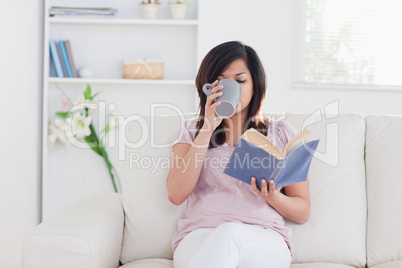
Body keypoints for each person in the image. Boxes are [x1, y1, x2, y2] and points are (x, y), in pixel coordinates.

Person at [166, 41, 310, 268]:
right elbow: (175, 194)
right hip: (199, 236)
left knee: (230, 234)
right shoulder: (191, 131)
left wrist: (273, 197)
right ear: (208, 86)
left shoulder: (281, 133)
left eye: (241, 81)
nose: (232, 88)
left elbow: (302, 211)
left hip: (263, 239)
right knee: (225, 237)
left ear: (255, 85)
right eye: (222, 81)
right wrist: (207, 130)